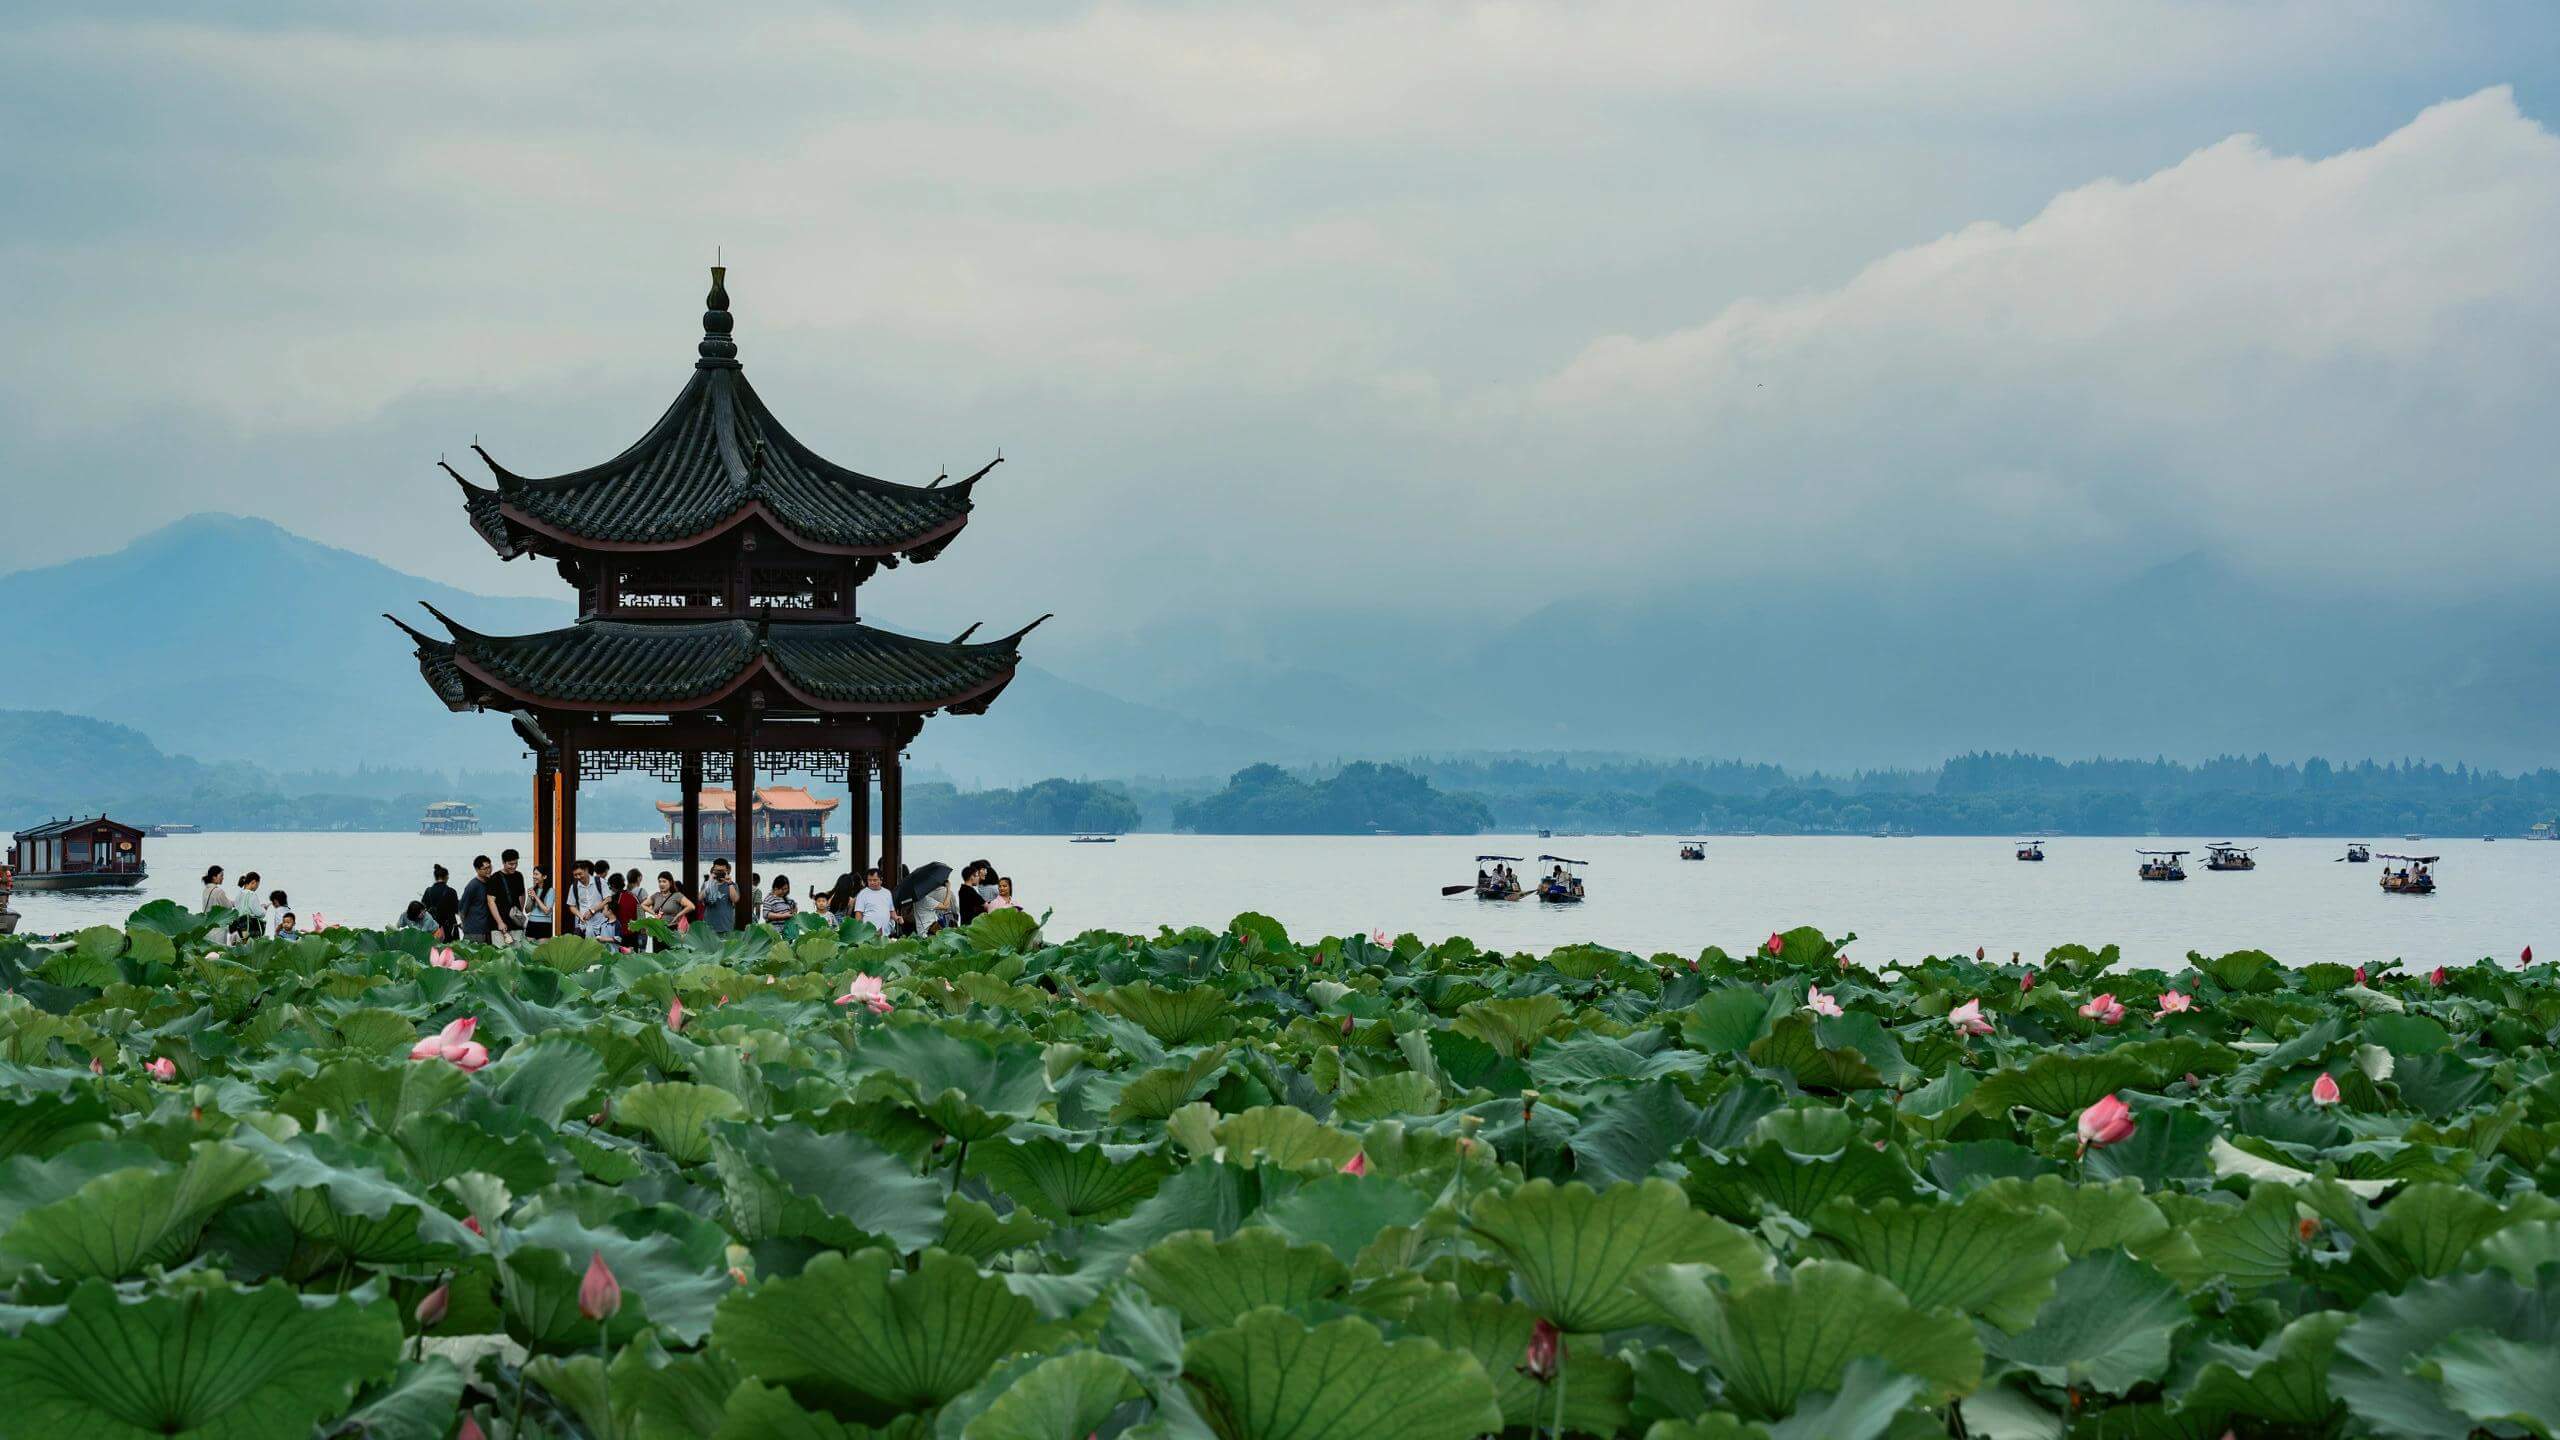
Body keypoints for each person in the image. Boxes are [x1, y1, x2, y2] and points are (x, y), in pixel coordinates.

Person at [459, 856, 497, 946]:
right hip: (474, 932)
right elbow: (462, 909)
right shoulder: (473, 886)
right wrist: (465, 925)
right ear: (477, 870)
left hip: (488, 930)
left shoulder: (490, 882)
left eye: (489, 867)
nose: (488, 870)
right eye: (485, 868)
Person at [492, 849, 528, 940]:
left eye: (516, 863)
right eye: (511, 864)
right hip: (500, 926)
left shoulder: (519, 876)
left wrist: (519, 912)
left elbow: (522, 895)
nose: (514, 866)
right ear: (503, 862)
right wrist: (500, 922)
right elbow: (490, 901)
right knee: (501, 949)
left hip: (516, 923)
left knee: (519, 948)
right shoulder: (495, 878)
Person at [646, 872, 695, 939]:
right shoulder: (661, 897)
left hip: (668, 928)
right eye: (660, 882)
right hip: (669, 928)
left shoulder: (676, 897)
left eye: (664, 882)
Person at [851, 868, 897, 933]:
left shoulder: (887, 893)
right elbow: (858, 915)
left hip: (885, 932)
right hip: (868, 933)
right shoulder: (862, 894)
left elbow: (891, 911)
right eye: (869, 880)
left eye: (875, 880)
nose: (872, 882)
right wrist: (860, 932)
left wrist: (896, 917)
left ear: (881, 880)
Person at [422, 865, 460, 942]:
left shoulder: (428, 891)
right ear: (446, 877)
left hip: (432, 928)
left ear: (435, 877)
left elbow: (422, 910)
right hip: (448, 929)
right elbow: (457, 910)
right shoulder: (451, 892)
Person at [701, 860, 739, 933]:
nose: (719, 874)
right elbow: (703, 901)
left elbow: (734, 900)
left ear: (727, 871)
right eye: (717, 871)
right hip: (709, 926)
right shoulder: (706, 885)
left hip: (726, 926)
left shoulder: (733, 885)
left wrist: (730, 883)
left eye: (722, 871)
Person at [609, 871, 640, 948]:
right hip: (634, 934)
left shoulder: (614, 899)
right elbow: (640, 914)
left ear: (613, 886)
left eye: (610, 887)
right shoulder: (633, 896)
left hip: (620, 936)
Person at [231, 871, 265, 938]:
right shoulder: (252, 894)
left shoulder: (239, 894)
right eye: (257, 885)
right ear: (253, 882)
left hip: (238, 928)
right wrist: (264, 909)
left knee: (241, 942)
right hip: (249, 928)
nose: (257, 887)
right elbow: (258, 912)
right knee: (249, 943)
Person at [524, 865, 554, 942]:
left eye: (536, 874)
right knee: (530, 949)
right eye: (534, 874)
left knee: (542, 949)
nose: (534, 876)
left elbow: (546, 911)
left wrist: (535, 897)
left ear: (544, 877)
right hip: (531, 923)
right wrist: (531, 898)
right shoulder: (532, 890)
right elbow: (527, 910)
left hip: (544, 925)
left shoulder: (551, 891)